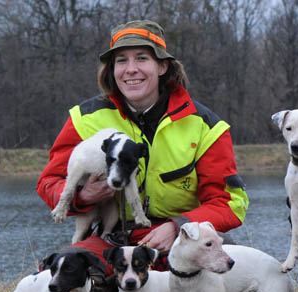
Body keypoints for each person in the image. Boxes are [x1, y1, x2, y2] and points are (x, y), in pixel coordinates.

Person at [37, 20, 249, 274]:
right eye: (121, 60)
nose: (131, 69)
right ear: (111, 69)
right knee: (55, 280)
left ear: (162, 66)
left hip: (181, 241)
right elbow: (50, 181)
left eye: (141, 58)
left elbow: (230, 203)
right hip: (112, 242)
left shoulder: (206, 126)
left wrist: (179, 226)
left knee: (235, 265)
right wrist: (83, 196)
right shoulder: (85, 119)